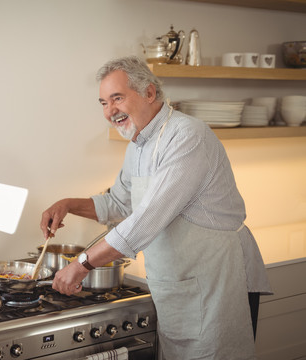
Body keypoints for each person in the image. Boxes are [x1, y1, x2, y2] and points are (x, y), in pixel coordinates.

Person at [40, 56, 272, 359]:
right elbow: (119, 203)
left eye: (117, 98)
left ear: (149, 93)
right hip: (178, 284)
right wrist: (68, 205)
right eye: (103, 103)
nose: (110, 111)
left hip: (218, 279)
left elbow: (146, 219)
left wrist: (82, 263)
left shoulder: (188, 136)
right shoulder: (138, 145)